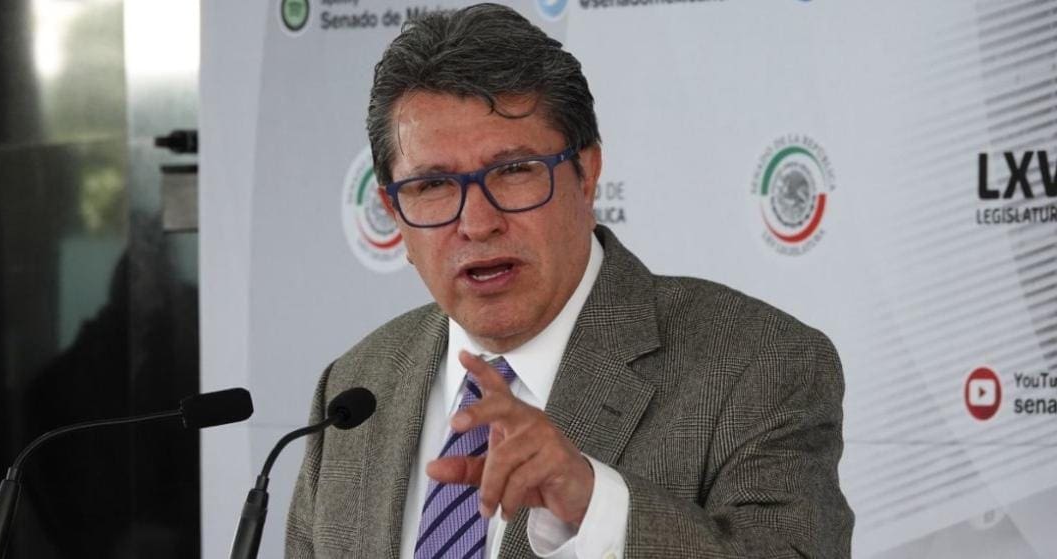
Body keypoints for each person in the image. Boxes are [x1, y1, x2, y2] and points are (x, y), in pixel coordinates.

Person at [286, 4, 853, 558]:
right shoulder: (357, 387)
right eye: (432, 185)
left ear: (587, 174)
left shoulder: (758, 364)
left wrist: (595, 507)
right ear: (393, 211)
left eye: (513, 171)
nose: (477, 223)